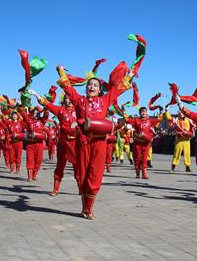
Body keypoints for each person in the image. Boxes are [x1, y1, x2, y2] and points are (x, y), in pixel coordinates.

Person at [56, 64, 133, 219]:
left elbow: (118, 90)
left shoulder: (105, 100)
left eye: (95, 85)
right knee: (83, 175)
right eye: (89, 85)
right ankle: (85, 208)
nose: (91, 86)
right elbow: (68, 88)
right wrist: (61, 71)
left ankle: (89, 209)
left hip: (99, 142)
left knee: (95, 175)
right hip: (83, 142)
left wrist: (129, 76)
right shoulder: (79, 101)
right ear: (86, 88)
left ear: (99, 90)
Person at [29, 91, 78, 195]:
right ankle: (55, 189)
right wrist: (36, 94)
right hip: (63, 143)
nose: (69, 101)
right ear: (63, 100)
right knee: (60, 165)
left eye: (70, 99)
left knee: (77, 166)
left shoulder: (79, 110)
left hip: (75, 142)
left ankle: (81, 189)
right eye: (66, 98)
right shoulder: (60, 110)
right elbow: (47, 104)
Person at [123, 107, 164, 179]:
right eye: (141, 112)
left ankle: (144, 174)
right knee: (137, 158)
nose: (143, 113)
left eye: (144, 111)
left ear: (146, 112)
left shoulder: (150, 121)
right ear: (139, 113)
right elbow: (127, 120)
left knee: (144, 158)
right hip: (137, 143)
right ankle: (137, 172)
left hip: (145, 143)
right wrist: (123, 111)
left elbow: (159, 119)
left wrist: (161, 111)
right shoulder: (136, 120)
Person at [19, 105, 48, 181]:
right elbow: (23, 113)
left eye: (37, 113)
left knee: (39, 161)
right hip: (30, 144)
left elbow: (46, 115)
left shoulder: (42, 121)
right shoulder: (29, 120)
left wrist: (46, 109)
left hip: (39, 144)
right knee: (30, 160)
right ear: (32, 113)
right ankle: (30, 176)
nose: (36, 114)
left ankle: (34, 174)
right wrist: (21, 105)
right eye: (35, 113)